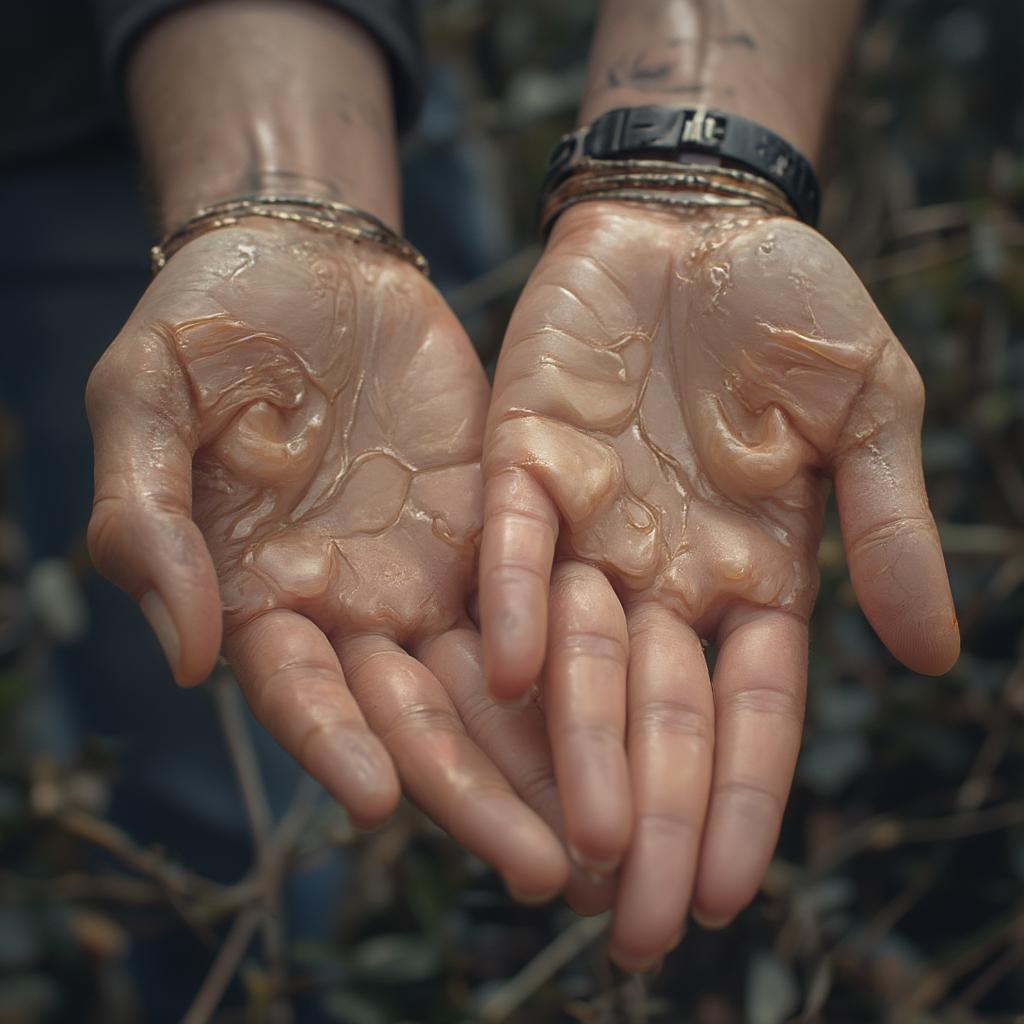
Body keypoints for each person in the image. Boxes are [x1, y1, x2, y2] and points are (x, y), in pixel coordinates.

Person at [75, 0, 959, 978]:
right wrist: (274, 211)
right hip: (48, 129)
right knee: (203, 768)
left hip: (371, 96)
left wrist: (696, 183)